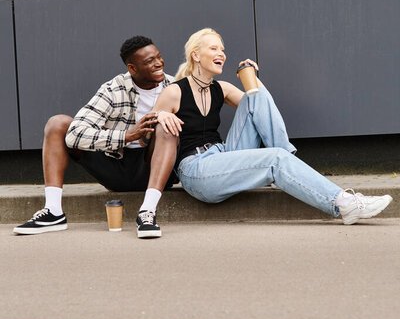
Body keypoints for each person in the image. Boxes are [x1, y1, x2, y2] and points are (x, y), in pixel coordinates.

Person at [136, 27, 393, 237]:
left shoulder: (222, 88)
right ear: (195, 55)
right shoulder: (175, 91)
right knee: (274, 159)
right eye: (213, 48)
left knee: (253, 96)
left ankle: (284, 158)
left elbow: (259, 106)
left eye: (223, 49)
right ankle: (344, 204)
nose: (221, 53)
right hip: (196, 170)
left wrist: (253, 78)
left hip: (224, 154)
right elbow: (149, 138)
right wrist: (162, 114)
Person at [13, 36, 182, 236]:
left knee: (166, 125)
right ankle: (53, 212)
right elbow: (74, 134)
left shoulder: (176, 86)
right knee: (58, 124)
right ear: (132, 68)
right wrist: (126, 136)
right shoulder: (114, 89)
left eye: (159, 57)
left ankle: (147, 212)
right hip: (116, 166)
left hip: (156, 168)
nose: (158, 63)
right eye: (149, 61)